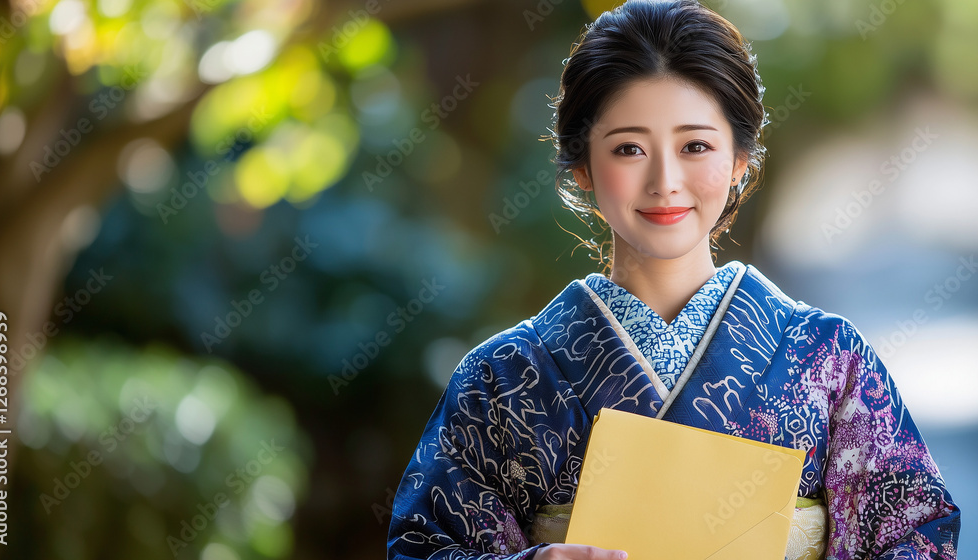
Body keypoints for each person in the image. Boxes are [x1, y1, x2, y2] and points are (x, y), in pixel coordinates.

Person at [386, 1, 962, 558]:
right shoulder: (503, 377)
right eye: (630, 148)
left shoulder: (831, 358)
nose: (665, 181)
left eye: (695, 146)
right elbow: (424, 547)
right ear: (581, 164)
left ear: (740, 159)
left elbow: (916, 535)